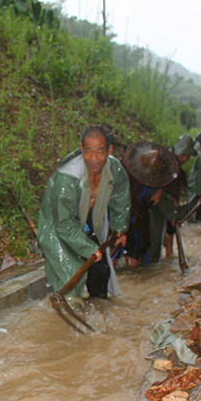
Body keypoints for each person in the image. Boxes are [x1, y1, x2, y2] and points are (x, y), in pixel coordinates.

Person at [37, 125, 130, 299]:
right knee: (70, 277)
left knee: (101, 271)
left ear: (109, 150)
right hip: (57, 227)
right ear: (81, 149)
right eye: (88, 152)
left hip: (85, 223)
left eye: (100, 152)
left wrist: (119, 228)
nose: (94, 159)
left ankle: (98, 312)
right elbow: (63, 224)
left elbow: (120, 196)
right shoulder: (67, 179)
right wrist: (87, 248)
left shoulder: (114, 169)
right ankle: (66, 312)